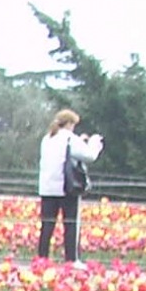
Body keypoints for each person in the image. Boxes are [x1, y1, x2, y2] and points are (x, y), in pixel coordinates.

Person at [37, 108, 103, 264]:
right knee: (71, 224)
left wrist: (79, 140)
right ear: (69, 124)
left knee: (47, 226)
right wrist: (95, 143)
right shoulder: (70, 139)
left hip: (47, 188)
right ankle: (72, 259)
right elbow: (89, 156)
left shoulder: (47, 138)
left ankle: (42, 258)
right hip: (66, 188)